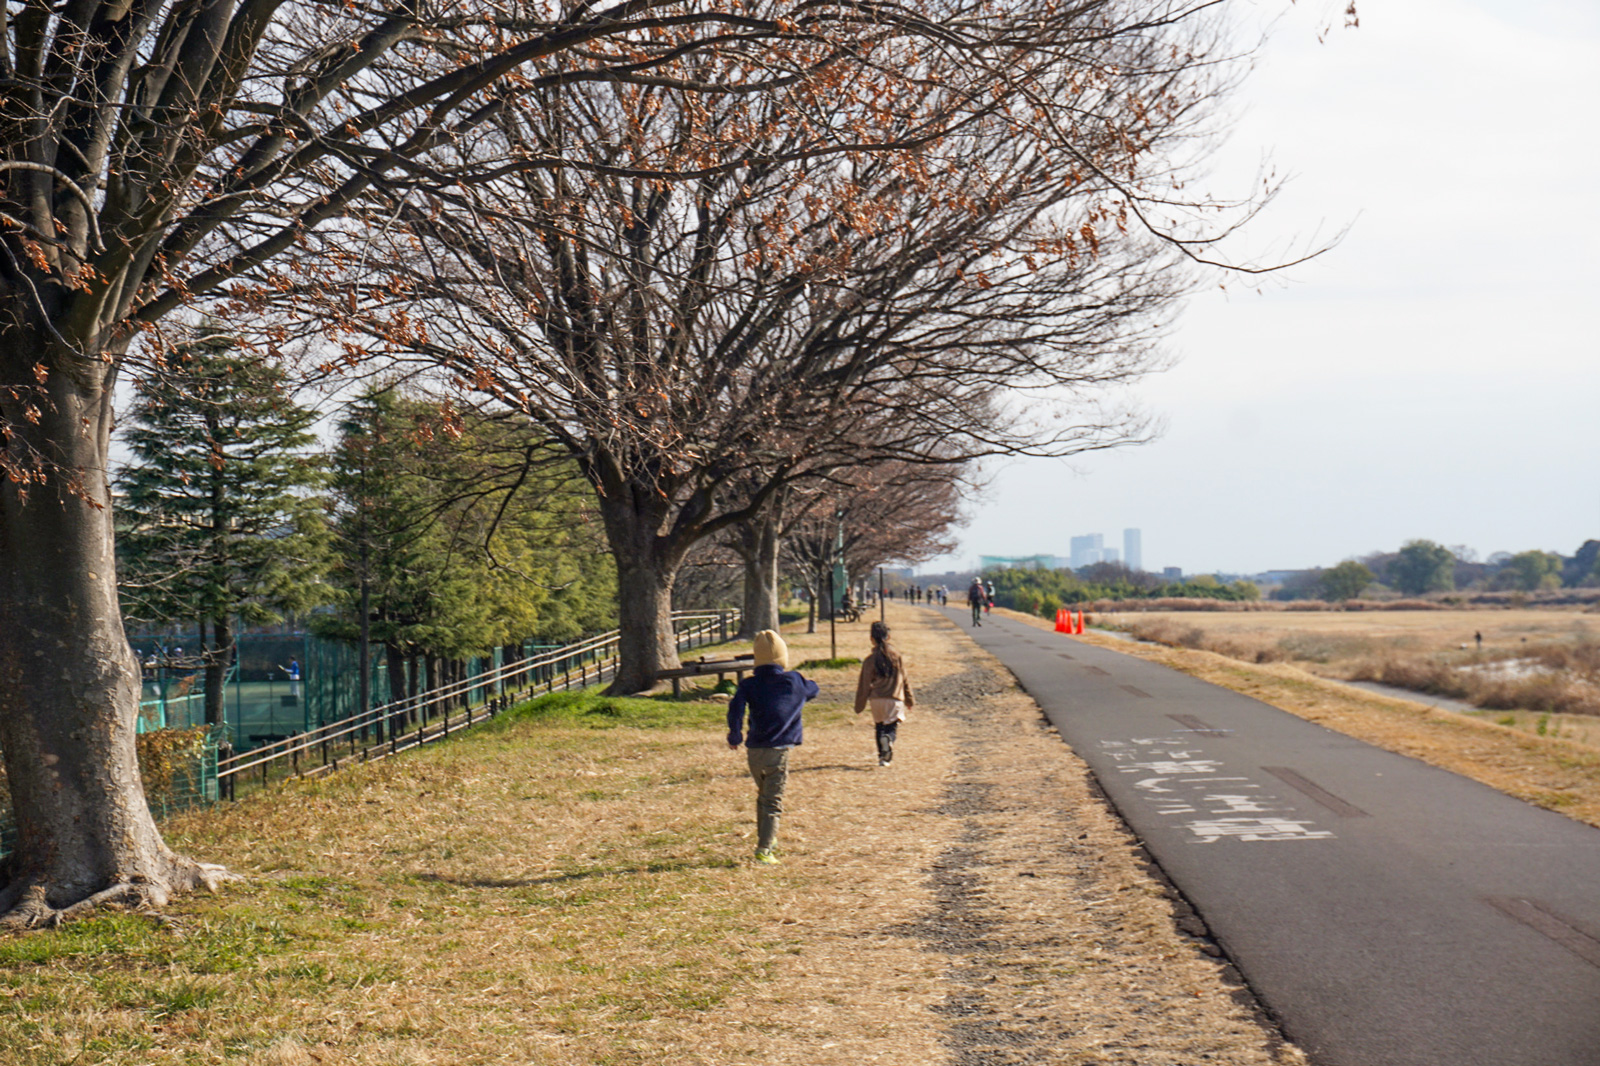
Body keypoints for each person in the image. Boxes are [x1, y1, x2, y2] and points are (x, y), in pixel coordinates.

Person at [727, 630, 819, 865]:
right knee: (772, 801)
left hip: (754, 751)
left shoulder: (749, 684)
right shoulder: (793, 681)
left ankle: (768, 837)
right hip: (779, 751)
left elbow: (735, 708)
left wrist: (735, 734)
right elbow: (813, 689)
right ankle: (765, 848)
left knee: (763, 797)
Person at [855, 621, 915, 767]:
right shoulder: (896, 657)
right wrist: (909, 699)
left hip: (876, 700)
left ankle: (882, 757)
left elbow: (864, 684)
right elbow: (905, 679)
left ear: (871, 638)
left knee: (879, 726)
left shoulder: (870, 660)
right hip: (894, 699)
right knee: (891, 728)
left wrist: (859, 706)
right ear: (888, 636)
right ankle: (888, 742)